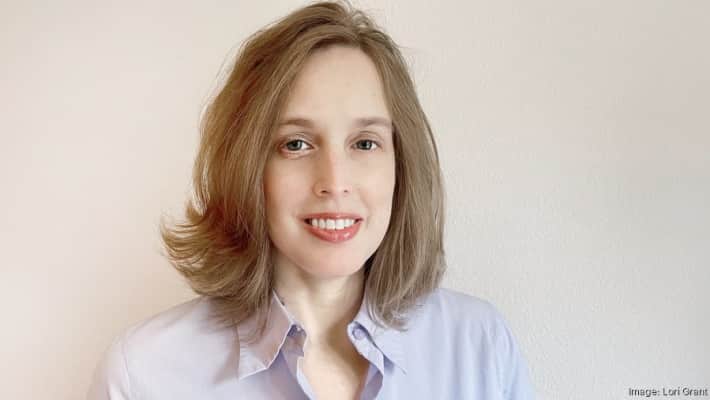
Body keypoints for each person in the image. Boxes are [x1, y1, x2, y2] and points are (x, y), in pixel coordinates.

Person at [87, 1, 535, 399]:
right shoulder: (143, 377)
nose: (334, 182)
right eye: (296, 144)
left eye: (365, 143)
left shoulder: (481, 348)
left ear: (401, 163)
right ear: (246, 166)